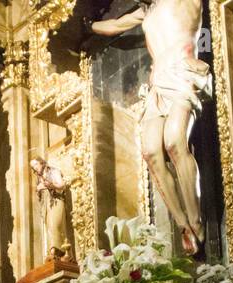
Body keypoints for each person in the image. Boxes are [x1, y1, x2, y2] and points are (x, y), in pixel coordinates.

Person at [90, 0, 211, 256]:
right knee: (151, 153)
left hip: (182, 72)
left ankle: (196, 220)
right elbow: (113, 25)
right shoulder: (147, 10)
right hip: (157, 83)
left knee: (174, 143)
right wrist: (85, 26)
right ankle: (182, 225)